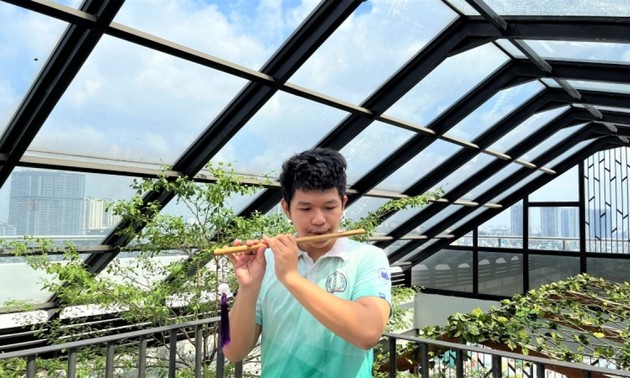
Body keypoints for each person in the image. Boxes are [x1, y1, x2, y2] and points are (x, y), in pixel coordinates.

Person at [223, 147, 392, 377]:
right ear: (286, 208)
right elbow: (232, 351)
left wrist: (291, 277)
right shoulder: (268, 261)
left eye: (330, 207)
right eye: (305, 208)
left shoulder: (367, 257)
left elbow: (368, 332)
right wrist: (249, 288)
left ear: (343, 204)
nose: (319, 220)